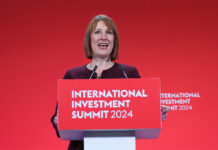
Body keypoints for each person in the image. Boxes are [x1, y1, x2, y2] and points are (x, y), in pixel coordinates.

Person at [51, 14, 170, 150]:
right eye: (97, 32)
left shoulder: (129, 74)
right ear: (90, 39)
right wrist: (58, 121)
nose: (103, 37)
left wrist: (155, 114)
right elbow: (57, 118)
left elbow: (141, 115)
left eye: (109, 32)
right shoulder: (73, 75)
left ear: (114, 40)